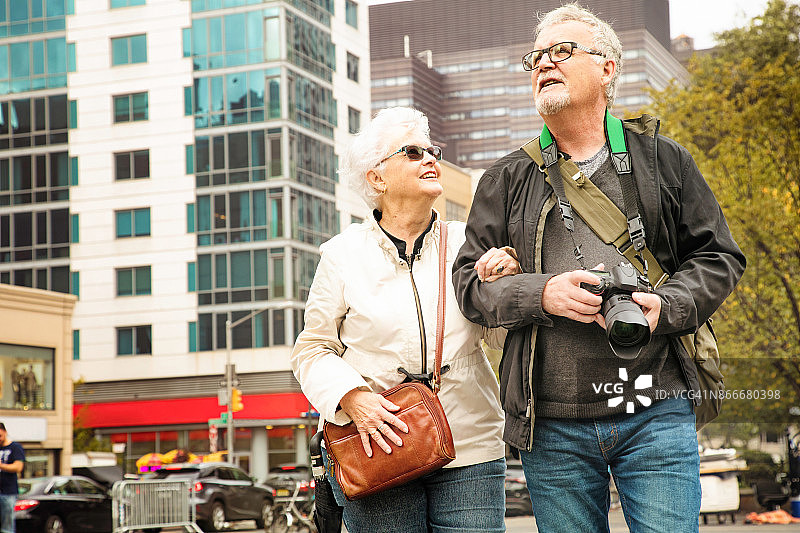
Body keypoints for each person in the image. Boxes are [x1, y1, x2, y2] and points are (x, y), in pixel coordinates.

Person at [452, 4, 746, 532]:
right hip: (552, 425)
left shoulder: (663, 160)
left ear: (607, 68)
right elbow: (469, 286)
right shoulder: (506, 177)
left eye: (562, 51)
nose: (545, 63)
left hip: (657, 414)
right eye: (537, 57)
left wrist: (669, 305)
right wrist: (540, 294)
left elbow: (720, 257)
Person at [291, 106, 519, 533]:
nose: (430, 159)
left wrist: (506, 291)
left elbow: (503, 338)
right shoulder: (342, 255)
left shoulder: (467, 245)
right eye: (413, 152)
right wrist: (352, 398)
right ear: (377, 177)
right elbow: (312, 350)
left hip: (468, 445)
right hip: (378, 445)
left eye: (431, 150)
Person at [0, 423, 24, 533]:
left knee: (7, 526)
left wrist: (1, 465)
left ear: (5, 432)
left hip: (8, 492)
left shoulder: (15, 447)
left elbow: (18, 467)